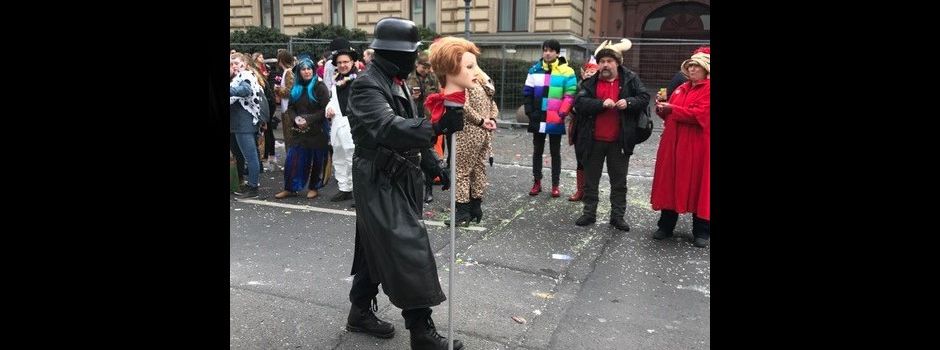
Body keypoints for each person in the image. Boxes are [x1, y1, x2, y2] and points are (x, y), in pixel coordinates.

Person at [344, 17, 462, 350]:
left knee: (375, 246)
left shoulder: (394, 80)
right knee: (407, 247)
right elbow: (387, 127)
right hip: (377, 179)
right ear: (394, 54)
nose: (415, 59)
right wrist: (437, 126)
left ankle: (358, 312)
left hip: (398, 176)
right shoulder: (368, 84)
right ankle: (421, 330)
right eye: (411, 53)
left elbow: (408, 127)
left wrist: (433, 164)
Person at [572, 38, 649, 231]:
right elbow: (579, 104)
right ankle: (589, 214)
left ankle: (617, 217)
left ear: (617, 62)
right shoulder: (590, 82)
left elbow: (644, 97)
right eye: (602, 61)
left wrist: (628, 102)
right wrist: (600, 104)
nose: (605, 65)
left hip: (619, 140)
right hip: (593, 139)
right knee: (591, 181)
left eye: (609, 61)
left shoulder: (631, 78)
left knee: (619, 182)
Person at [425, 37, 498, 226]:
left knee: (461, 170)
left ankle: (463, 210)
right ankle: (476, 207)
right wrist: (490, 120)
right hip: (482, 133)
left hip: (467, 131)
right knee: (477, 169)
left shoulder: (464, 80)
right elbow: (492, 104)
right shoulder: (483, 81)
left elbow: (463, 106)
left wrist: (482, 121)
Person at [651, 47, 711, 248]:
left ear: (706, 69)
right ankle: (666, 225)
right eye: (691, 65)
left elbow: (700, 115)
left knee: (698, 186)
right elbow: (672, 115)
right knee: (670, 181)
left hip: (696, 146)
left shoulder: (708, 88)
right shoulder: (680, 88)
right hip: (673, 143)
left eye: (697, 66)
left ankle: (701, 230)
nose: (692, 69)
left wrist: (672, 109)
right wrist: (662, 108)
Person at [522, 39, 577, 198]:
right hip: (537, 117)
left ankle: (555, 185)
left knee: (555, 152)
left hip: (555, 118)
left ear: (557, 53)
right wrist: (530, 112)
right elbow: (527, 93)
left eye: (551, 50)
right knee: (537, 150)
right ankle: (537, 182)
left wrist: (562, 112)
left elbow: (570, 94)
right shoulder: (534, 70)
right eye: (545, 50)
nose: (547, 53)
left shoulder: (567, 72)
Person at [274, 56, 332, 200]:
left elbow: (324, 110)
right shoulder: (296, 88)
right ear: (299, 72)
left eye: (309, 69)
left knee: (317, 160)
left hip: (318, 130)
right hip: (299, 130)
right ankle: (290, 187)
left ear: (313, 70)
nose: (306, 72)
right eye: (303, 69)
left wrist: (308, 119)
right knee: (293, 159)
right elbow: (291, 107)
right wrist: (296, 119)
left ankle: (314, 187)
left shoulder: (320, 87)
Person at [566, 57, 598, 202]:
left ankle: (590, 191)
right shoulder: (579, 87)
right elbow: (571, 104)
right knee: (580, 159)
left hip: (593, 128)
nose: (590, 74)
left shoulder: (598, 88)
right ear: (583, 73)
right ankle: (580, 190)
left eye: (593, 72)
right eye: (588, 71)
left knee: (592, 161)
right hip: (579, 127)